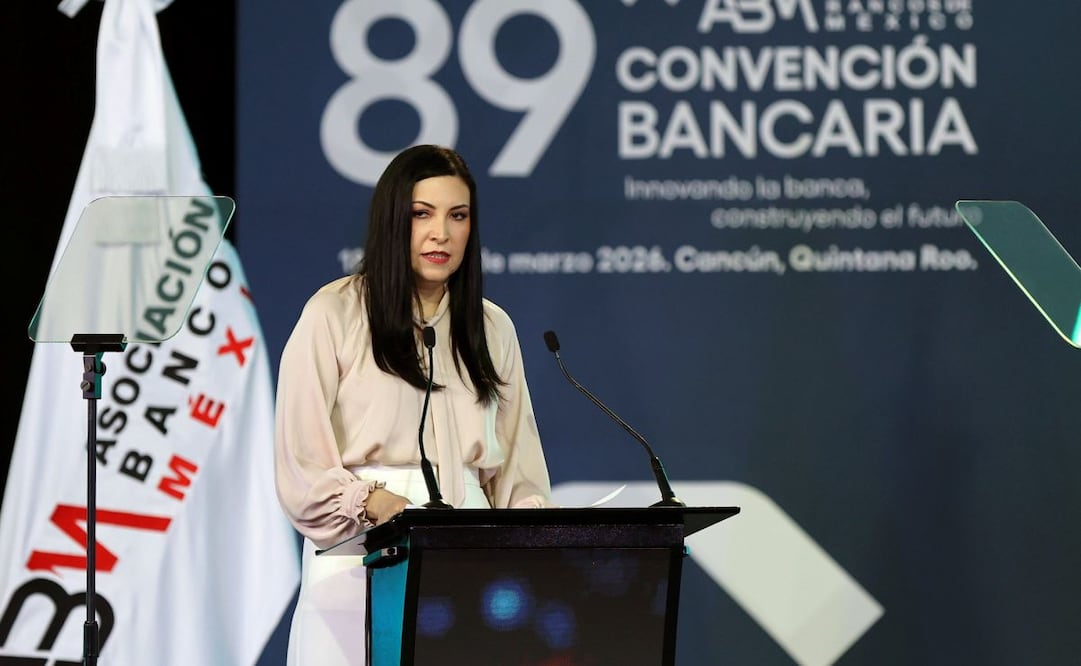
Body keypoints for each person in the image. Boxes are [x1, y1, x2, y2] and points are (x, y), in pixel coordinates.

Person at [273, 144, 553, 665]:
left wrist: (528, 537)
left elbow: (518, 471)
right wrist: (374, 503)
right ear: (393, 221)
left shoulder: (493, 327)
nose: (440, 234)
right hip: (361, 553)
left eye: (458, 216)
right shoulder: (333, 313)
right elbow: (301, 465)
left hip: (469, 561)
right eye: (422, 214)